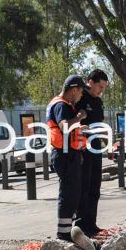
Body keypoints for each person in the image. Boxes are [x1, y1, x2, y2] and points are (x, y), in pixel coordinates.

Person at [46, 75, 88, 241]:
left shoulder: (61, 104)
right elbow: (64, 126)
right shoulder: (61, 105)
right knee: (68, 194)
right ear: (74, 89)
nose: (82, 95)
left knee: (73, 194)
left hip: (67, 154)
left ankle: (67, 231)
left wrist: (78, 127)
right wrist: (78, 117)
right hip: (65, 156)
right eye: (81, 91)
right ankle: (63, 234)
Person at [74, 69, 109, 237]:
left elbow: (101, 125)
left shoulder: (98, 101)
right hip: (82, 147)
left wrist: (107, 144)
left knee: (95, 186)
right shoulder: (80, 98)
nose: (101, 90)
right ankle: (80, 225)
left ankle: (91, 223)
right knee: (84, 186)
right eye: (99, 87)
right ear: (90, 82)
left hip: (96, 147)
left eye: (103, 88)